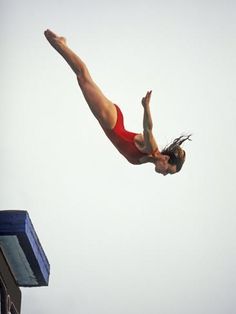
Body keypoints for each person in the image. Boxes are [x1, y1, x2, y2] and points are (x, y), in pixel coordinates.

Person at [44, 29, 191, 176]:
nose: (165, 174)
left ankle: (63, 45)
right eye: (168, 171)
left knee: (83, 80)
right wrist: (146, 107)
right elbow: (148, 129)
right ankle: (61, 44)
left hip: (109, 123)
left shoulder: (145, 160)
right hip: (111, 122)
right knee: (83, 78)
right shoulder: (152, 149)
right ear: (165, 159)